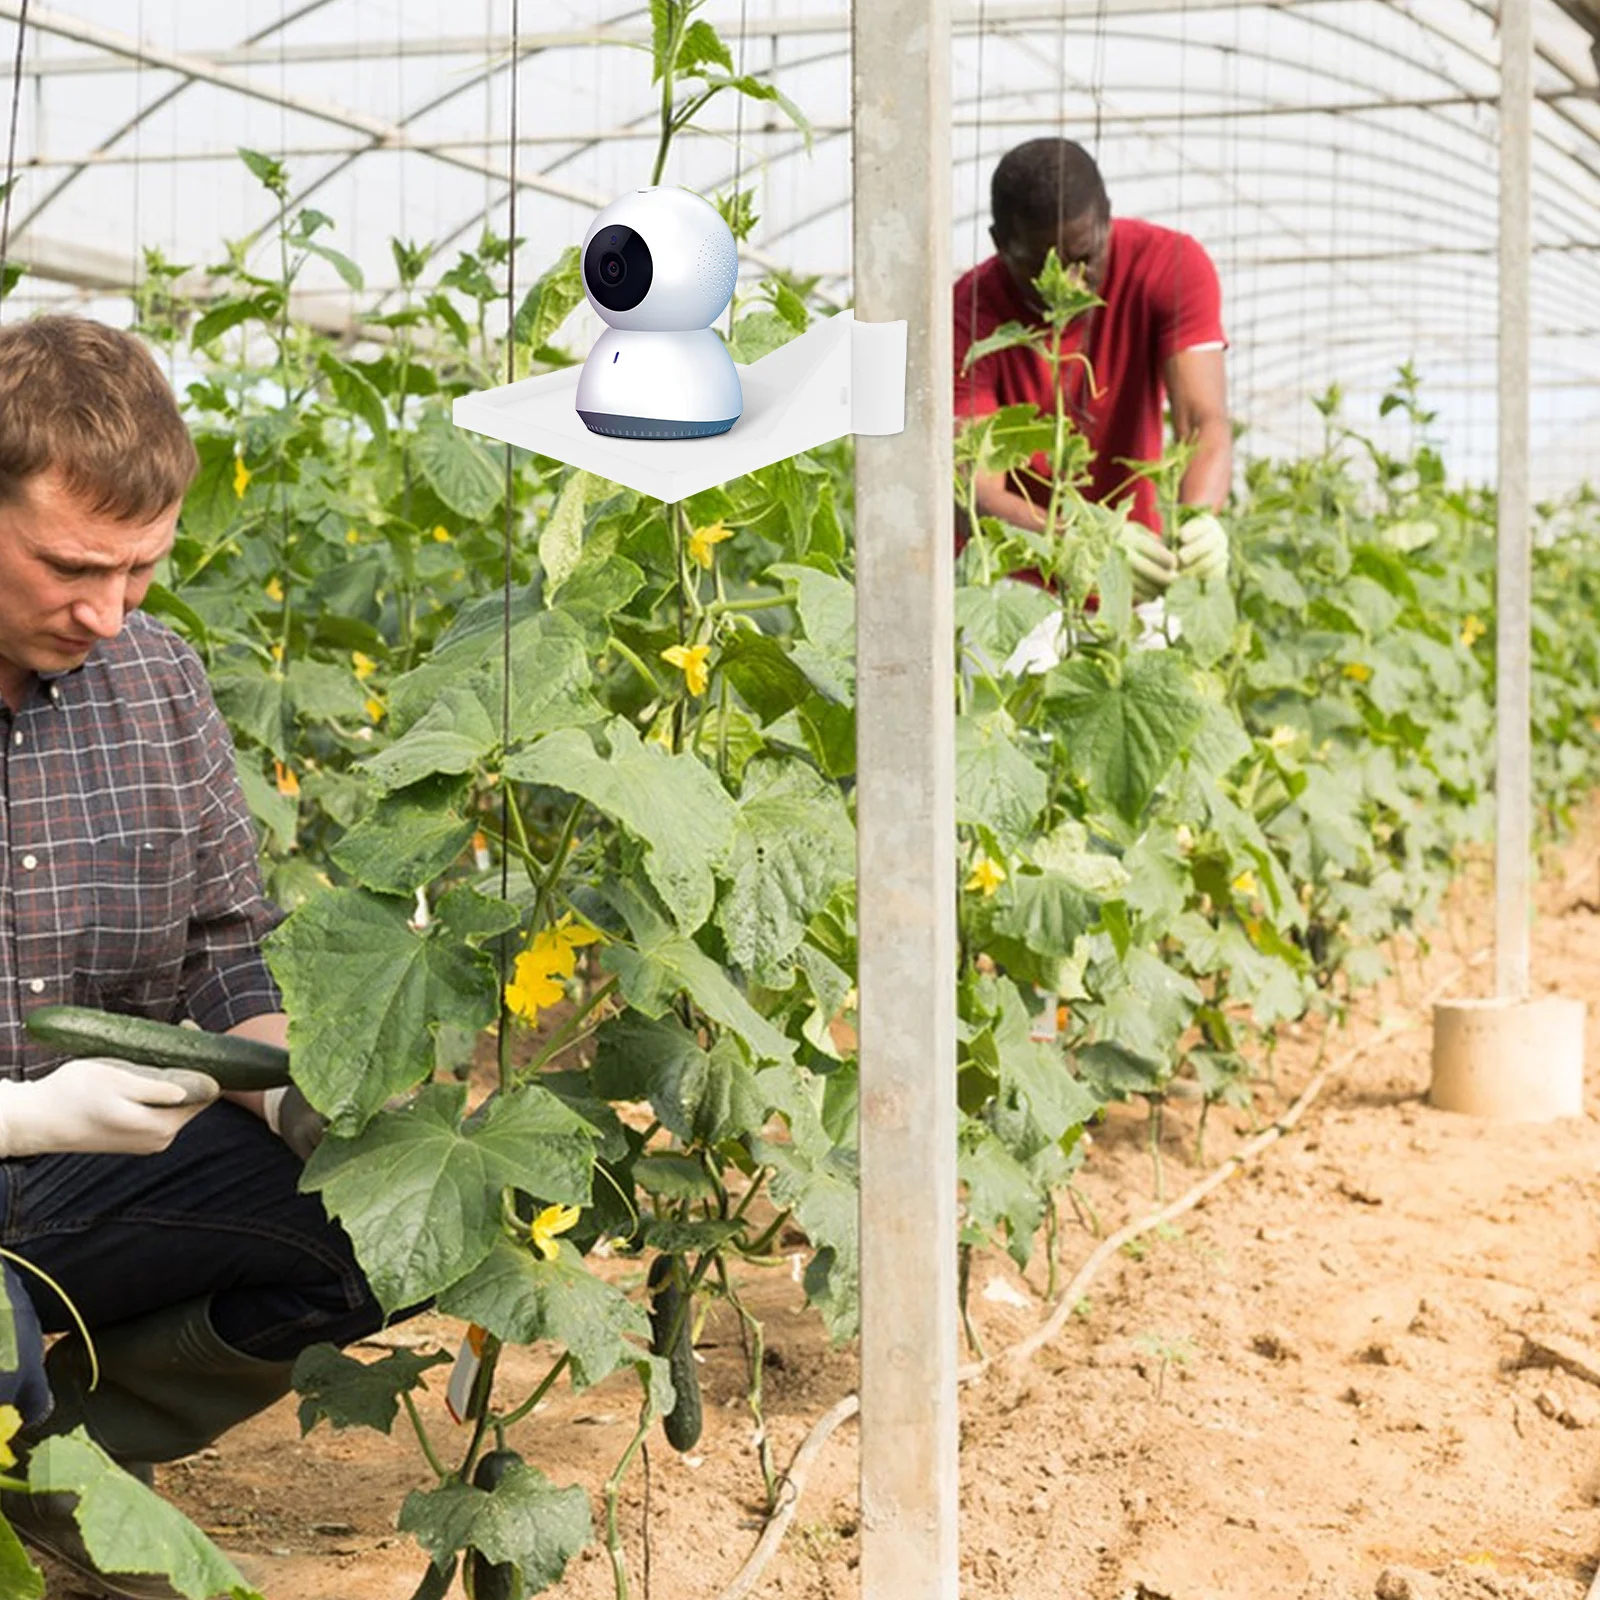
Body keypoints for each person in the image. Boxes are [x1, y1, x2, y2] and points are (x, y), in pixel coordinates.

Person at [0, 315, 392, 1600]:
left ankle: (66, 1465)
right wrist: (24, 1116)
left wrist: (292, 1093)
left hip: (93, 1179)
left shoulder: (158, 681)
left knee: (394, 1216)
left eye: (143, 568)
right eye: (71, 567)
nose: (108, 614)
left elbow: (224, 949)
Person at [954, 137, 1233, 601]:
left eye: (1085, 258)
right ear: (1001, 245)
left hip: (1138, 577)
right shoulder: (967, 314)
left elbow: (1203, 421)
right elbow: (974, 491)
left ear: (1107, 218)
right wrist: (1078, 542)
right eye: (1041, 265)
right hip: (1013, 584)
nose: (1069, 282)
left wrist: (1198, 522)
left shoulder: (1168, 266)